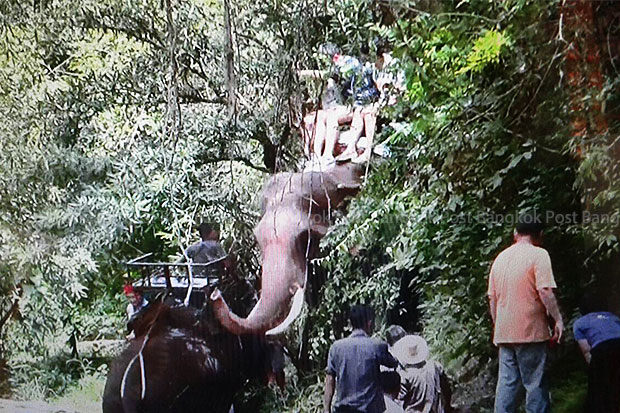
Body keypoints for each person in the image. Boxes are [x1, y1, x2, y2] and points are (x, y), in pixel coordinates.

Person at [487, 212, 564, 413]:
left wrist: (498, 325)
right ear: (540, 235)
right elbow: (545, 290)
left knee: (506, 385)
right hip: (530, 330)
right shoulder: (539, 255)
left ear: (515, 234)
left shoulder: (500, 258)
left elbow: (492, 298)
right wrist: (558, 320)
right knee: (535, 383)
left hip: (504, 332)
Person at [323, 304, 398, 413]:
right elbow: (393, 364)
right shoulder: (377, 346)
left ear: (351, 324)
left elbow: (330, 380)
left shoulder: (336, 348)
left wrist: (326, 410)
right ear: (369, 323)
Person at [573, 292, 620, 413]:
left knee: (601, 388)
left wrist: (593, 370)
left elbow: (586, 350)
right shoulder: (613, 317)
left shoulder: (580, 323)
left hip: (602, 350)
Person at [391, 335, 452, 413]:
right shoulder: (435, 366)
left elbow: (398, 401)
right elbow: (447, 389)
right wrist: (447, 406)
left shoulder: (405, 376)